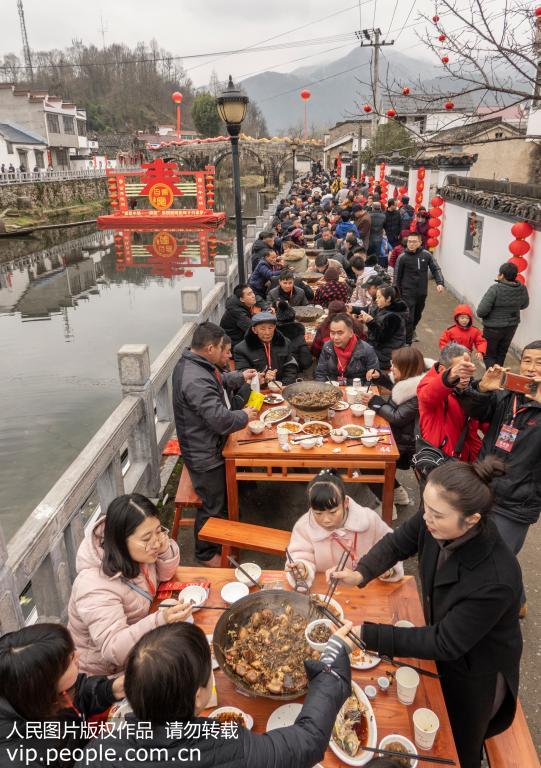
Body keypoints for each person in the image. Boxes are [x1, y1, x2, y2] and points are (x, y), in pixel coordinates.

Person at [328, 456, 523, 768]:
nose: (426, 519)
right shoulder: (437, 518)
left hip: (477, 670)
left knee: (457, 746)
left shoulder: (496, 578)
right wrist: (361, 572)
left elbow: (445, 643)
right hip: (445, 638)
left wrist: (366, 635)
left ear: (471, 520)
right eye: (425, 508)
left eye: (436, 515)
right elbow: (398, 543)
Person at [75, 621, 354, 768]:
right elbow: (307, 741)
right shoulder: (228, 746)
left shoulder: (99, 750)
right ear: (198, 697)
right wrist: (330, 671)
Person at [455, 339, 541, 616]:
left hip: (517, 502)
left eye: (539, 363)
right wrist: (481, 388)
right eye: (527, 361)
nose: (530, 368)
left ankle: (486, 613)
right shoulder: (508, 395)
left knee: (493, 559)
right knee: (489, 553)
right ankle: (517, 601)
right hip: (485, 487)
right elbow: (474, 410)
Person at [67, 494, 183, 675]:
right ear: (120, 541)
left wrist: (165, 548)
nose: (156, 542)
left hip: (139, 648)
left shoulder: (136, 554)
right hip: (103, 676)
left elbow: (166, 575)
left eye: (159, 531)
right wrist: (160, 620)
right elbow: (113, 650)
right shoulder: (93, 586)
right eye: (146, 539)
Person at [173, 323, 259, 565]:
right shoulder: (195, 379)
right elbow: (220, 420)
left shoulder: (199, 364)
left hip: (207, 444)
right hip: (204, 453)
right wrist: (245, 416)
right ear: (210, 348)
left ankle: (229, 526)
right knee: (213, 504)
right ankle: (205, 553)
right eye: (224, 351)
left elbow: (218, 381)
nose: (228, 356)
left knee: (224, 494)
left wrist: (239, 377)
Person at [0, 624, 125, 767]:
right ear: (46, 685)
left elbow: (79, 691)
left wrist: (112, 688)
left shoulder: (44, 693)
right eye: (70, 659)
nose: (78, 655)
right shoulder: (17, 757)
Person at [285, 470, 404, 589]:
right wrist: (302, 569)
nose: (326, 520)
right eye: (318, 513)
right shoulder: (304, 526)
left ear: (345, 502)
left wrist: (389, 570)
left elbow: (390, 548)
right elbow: (300, 555)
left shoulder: (369, 520)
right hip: (323, 588)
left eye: (333, 512)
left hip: (367, 587)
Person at [359, 346, 432, 506]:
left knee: (365, 460)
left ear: (406, 369)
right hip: (397, 434)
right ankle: (395, 492)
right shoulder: (410, 379)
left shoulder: (419, 391)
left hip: (407, 444)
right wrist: (380, 377)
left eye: (394, 366)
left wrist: (375, 403)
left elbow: (398, 417)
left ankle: (391, 499)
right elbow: (397, 386)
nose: (391, 368)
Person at [417, 342, 482, 463]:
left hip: (468, 460)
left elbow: (485, 422)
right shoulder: (428, 384)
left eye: (467, 370)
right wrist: (450, 376)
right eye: (460, 371)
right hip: (441, 462)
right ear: (442, 369)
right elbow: (428, 396)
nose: (465, 377)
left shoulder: (472, 389)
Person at [394, 232, 445, 344]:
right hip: (407, 293)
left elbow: (435, 268)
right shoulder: (402, 257)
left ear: (420, 242)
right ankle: (407, 342)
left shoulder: (426, 255)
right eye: (409, 242)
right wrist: (397, 294)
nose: (411, 244)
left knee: (417, 315)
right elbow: (396, 277)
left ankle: (412, 330)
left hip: (421, 292)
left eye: (414, 242)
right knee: (409, 318)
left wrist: (440, 282)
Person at [476, 262, 530, 367]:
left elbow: (481, 311)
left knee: (489, 355)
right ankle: (499, 376)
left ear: (502, 275)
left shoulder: (495, 289)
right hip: (511, 326)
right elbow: (524, 305)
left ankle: (492, 379)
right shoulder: (522, 288)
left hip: (493, 328)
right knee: (502, 353)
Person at [234, 312, 298, 385]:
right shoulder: (241, 349)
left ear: (274, 327)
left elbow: (290, 366)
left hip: (281, 387)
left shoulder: (284, 342)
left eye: (270, 328)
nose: (267, 332)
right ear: (254, 330)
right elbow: (243, 374)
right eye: (262, 329)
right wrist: (263, 379)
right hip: (257, 390)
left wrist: (284, 385)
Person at [315, 313, 378, 384]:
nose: (335, 338)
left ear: (351, 333)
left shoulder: (367, 350)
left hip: (357, 390)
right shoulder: (327, 346)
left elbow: (372, 379)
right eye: (332, 333)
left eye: (340, 333)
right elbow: (321, 373)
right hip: (333, 389)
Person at [358, 284, 408, 370]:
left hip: (387, 355)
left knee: (357, 358)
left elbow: (381, 338)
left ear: (388, 299)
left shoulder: (393, 317)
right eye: (376, 297)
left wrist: (370, 322)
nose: (376, 300)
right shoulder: (384, 308)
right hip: (380, 349)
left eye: (379, 297)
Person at [275, 300, 313, 371]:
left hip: (275, 369)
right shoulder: (299, 334)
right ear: (293, 317)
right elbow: (306, 362)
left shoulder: (272, 333)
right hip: (294, 367)